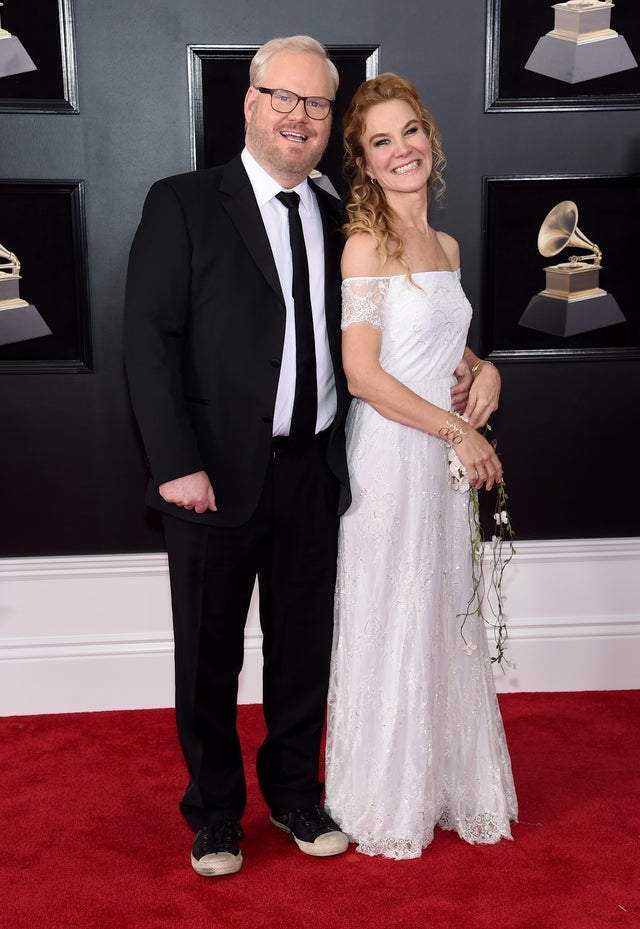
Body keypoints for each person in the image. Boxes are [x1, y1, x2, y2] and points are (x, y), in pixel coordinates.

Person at [123, 35, 353, 876]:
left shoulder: (340, 213)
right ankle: (216, 813)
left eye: (317, 103)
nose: (299, 116)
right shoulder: (183, 202)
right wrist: (174, 463)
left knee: (304, 651)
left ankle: (295, 792)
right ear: (250, 104)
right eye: (283, 98)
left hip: (316, 471)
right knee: (209, 654)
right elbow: (149, 342)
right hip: (209, 478)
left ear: (331, 119)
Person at [324, 73, 518, 859]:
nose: (400, 149)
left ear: (429, 140)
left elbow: (439, 340)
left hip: (437, 453)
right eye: (381, 141)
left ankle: (437, 777)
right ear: (365, 164)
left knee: (440, 612)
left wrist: (488, 368)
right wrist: (460, 434)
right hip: (396, 454)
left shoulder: (447, 246)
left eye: (410, 132)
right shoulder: (364, 243)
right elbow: (365, 373)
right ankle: (382, 792)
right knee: (391, 612)